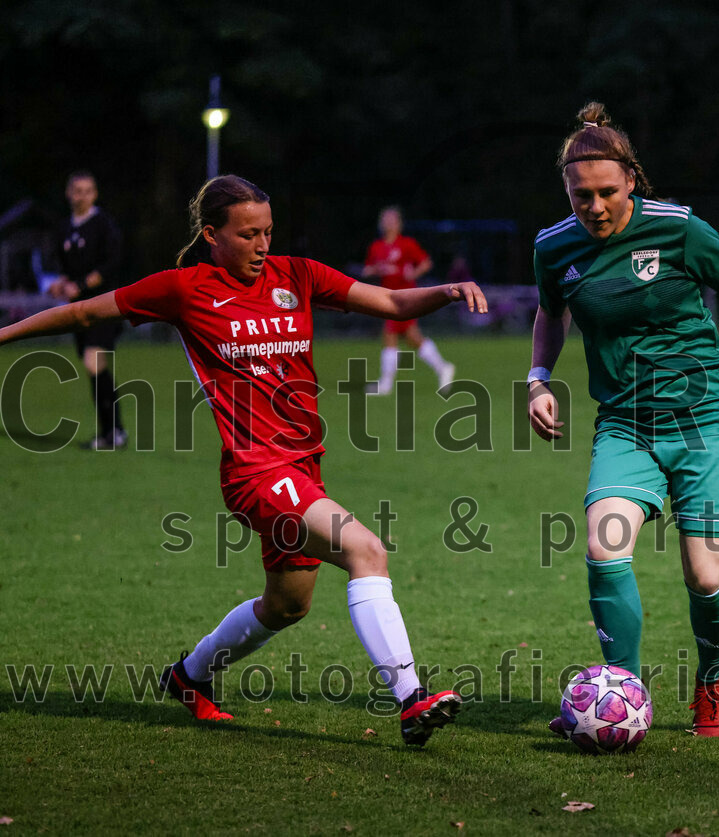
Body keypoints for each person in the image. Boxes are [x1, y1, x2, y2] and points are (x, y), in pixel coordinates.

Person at [0, 174, 488, 745]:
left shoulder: (296, 275)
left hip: (303, 466)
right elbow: (83, 313)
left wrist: (447, 291)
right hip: (256, 471)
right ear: (212, 234)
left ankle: (189, 677)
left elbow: (388, 301)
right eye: (248, 234)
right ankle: (410, 699)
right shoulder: (184, 288)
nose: (262, 245)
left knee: (286, 606)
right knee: (366, 549)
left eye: (268, 232)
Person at [528, 104, 719, 738]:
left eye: (607, 193)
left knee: (705, 575)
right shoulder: (554, 246)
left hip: (705, 420)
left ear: (631, 182)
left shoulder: (677, 228)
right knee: (603, 543)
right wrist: (538, 379)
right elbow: (551, 311)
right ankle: (622, 692)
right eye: (580, 195)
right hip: (625, 423)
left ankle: (712, 682)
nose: (593, 206)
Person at [50, 171, 127, 450]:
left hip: (103, 309)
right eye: (76, 190)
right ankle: (113, 431)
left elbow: (111, 265)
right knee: (94, 367)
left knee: (94, 363)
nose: (81, 195)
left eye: (87, 190)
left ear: (94, 194)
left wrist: (80, 286)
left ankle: (113, 433)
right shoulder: (63, 228)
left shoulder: (104, 225)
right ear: (68, 193)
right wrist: (60, 284)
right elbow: (64, 268)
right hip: (78, 312)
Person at [362, 206, 455, 394]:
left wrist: (413, 272)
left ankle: (386, 384)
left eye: (392, 219)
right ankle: (443, 367)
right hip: (386, 297)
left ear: (399, 224)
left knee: (390, 335)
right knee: (412, 338)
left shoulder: (406, 244)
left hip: (406, 297)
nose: (388, 223)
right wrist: (377, 270)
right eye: (385, 219)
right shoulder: (377, 247)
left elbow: (426, 262)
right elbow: (367, 269)